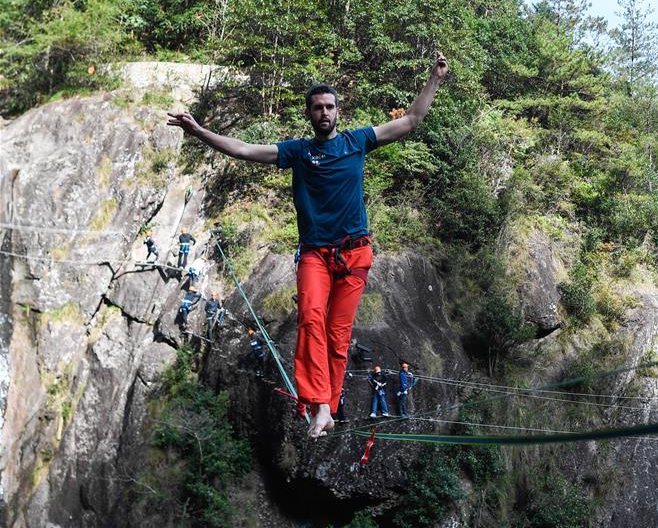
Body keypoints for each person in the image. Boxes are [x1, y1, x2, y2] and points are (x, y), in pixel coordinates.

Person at [168, 53, 449, 438]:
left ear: (338, 111)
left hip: (355, 253)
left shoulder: (357, 141)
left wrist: (434, 79)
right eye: (317, 107)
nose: (324, 112)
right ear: (309, 114)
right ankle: (320, 405)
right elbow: (244, 149)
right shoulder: (298, 152)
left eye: (330, 106)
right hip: (316, 254)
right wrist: (200, 132)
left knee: (338, 336)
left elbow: (412, 121)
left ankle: (328, 407)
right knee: (311, 320)